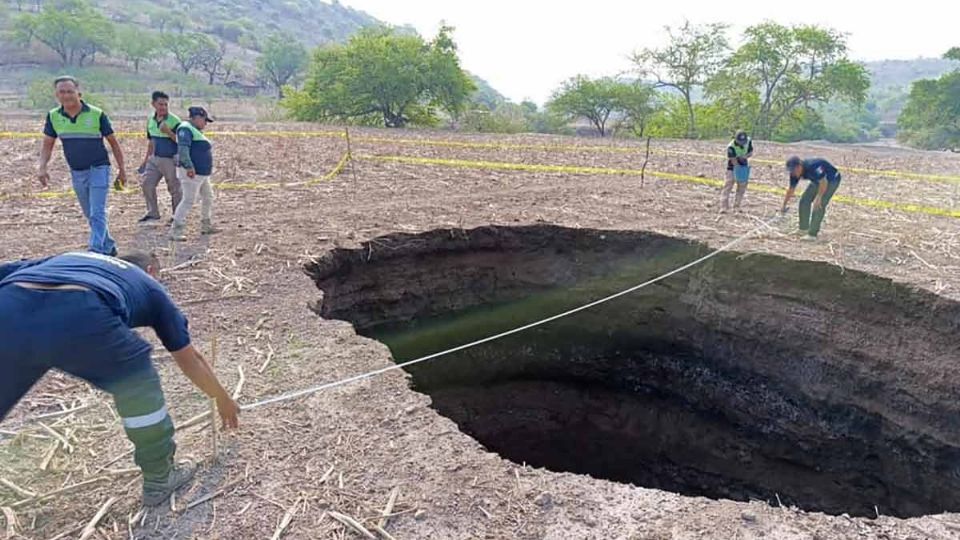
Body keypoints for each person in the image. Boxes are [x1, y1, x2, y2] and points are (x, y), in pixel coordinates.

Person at [0, 251, 240, 506]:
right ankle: (160, 476)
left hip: (10, 304)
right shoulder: (151, 288)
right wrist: (222, 398)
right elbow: (191, 359)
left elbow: (8, 271)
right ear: (150, 271)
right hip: (79, 309)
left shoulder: (73, 257)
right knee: (138, 380)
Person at [38, 76, 127, 256]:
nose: (66, 95)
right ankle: (108, 245)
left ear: (79, 92)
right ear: (57, 95)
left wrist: (122, 170)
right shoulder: (54, 116)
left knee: (97, 211)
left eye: (70, 91)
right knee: (90, 214)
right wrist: (42, 167)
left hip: (99, 168)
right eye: (62, 92)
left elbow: (114, 143)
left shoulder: (97, 114)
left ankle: (95, 251)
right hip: (77, 171)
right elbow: (48, 144)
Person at [170, 107, 218, 241]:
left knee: (208, 197)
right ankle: (176, 231)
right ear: (197, 117)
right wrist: (189, 166)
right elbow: (183, 149)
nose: (205, 124)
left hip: (201, 174)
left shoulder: (194, 130)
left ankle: (205, 225)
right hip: (192, 173)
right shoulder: (185, 129)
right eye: (204, 120)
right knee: (188, 200)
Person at [138, 91, 183, 223]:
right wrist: (145, 160)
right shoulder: (150, 120)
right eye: (160, 104)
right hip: (154, 158)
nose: (163, 107)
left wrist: (169, 132)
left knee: (174, 188)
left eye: (165, 104)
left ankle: (177, 216)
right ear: (153, 104)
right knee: (147, 185)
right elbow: (151, 141)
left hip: (170, 158)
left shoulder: (175, 121)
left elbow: (182, 142)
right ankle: (153, 213)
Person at [781, 157, 843, 241]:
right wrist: (784, 205)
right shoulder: (794, 174)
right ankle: (803, 229)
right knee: (804, 200)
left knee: (819, 205)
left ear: (800, 166)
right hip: (817, 181)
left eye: (794, 170)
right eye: (791, 171)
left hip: (831, 180)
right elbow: (791, 189)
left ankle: (812, 234)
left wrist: (819, 197)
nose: (793, 173)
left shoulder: (813, 166)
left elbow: (824, 182)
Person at [720, 130, 753, 213]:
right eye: (740, 141)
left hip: (743, 165)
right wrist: (738, 170)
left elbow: (750, 152)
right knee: (728, 185)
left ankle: (737, 206)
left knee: (742, 187)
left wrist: (745, 157)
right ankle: (724, 207)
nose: (742, 143)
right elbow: (733, 160)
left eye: (743, 141)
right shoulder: (731, 147)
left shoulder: (748, 141)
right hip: (732, 166)